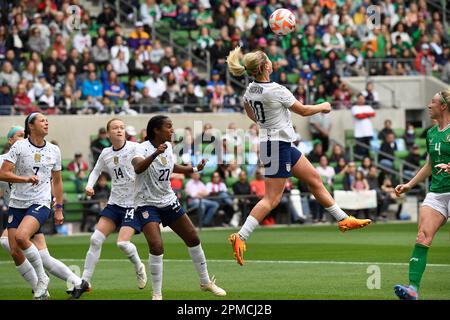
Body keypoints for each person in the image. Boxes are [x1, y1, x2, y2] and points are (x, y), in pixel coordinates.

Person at [226, 47, 371, 266]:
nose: (273, 63)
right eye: (270, 61)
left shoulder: (251, 89)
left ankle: (343, 220)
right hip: (277, 146)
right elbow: (302, 111)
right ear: (265, 66)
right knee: (271, 199)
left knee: (314, 179)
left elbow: (249, 113)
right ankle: (241, 236)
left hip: (277, 143)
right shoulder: (276, 90)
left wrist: (266, 123)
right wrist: (323, 106)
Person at [132, 115, 226, 300]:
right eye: (169, 127)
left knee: (192, 237)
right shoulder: (140, 148)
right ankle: (157, 293)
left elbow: (171, 166)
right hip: (146, 203)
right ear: (156, 130)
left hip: (168, 200)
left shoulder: (168, 148)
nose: (172, 130)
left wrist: (194, 169)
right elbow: (138, 168)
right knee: (156, 245)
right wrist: (154, 154)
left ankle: (205, 282)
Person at [0, 114, 89, 299]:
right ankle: (78, 283)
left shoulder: (53, 150)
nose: (46, 122)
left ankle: (41, 280)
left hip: (40, 202)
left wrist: (58, 207)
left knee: (21, 238)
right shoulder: (18, 148)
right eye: (42, 120)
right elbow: (3, 174)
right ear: (30, 126)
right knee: (23, 250)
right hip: (16, 204)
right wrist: (24, 179)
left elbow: (57, 181)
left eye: (47, 120)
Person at [393, 89, 450, 300]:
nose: (429, 106)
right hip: (437, 192)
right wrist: (410, 184)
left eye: (433, 102)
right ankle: (413, 289)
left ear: (443, 106)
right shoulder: (431, 133)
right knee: (422, 236)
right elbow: (430, 164)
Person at [81, 118, 147, 291]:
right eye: (115, 128)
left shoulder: (135, 147)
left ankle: (139, 266)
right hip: (115, 202)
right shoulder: (105, 152)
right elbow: (96, 171)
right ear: (108, 133)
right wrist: (89, 185)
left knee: (122, 244)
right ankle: (84, 281)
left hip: (133, 204)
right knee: (95, 239)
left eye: (122, 128)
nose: (119, 130)